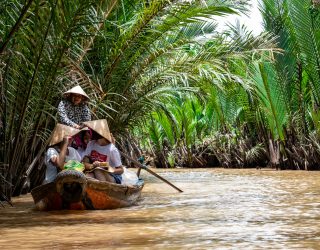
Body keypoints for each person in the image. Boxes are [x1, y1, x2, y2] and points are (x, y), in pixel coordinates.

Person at [81, 120, 124, 184]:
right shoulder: (91, 144)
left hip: (112, 176)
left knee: (98, 170)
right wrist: (93, 165)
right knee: (88, 176)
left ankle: (104, 190)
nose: (90, 133)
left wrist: (106, 167)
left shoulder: (112, 150)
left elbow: (121, 170)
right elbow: (84, 162)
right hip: (95, 172)